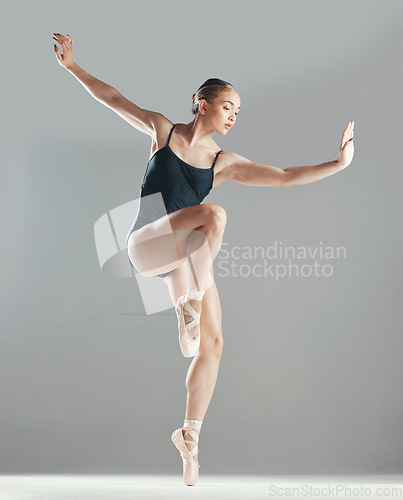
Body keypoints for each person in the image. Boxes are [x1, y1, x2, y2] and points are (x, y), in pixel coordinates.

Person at [53, 32, 355, 486]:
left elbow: (286, 176)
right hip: (148, 243)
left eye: (237, 111)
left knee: (212, 345)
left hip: (189, 258)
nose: (233, 115)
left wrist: (337, 164)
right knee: (213, 215)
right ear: (202, 103)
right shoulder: (162, 130)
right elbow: (113, 97)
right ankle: (185, 305)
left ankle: (189, 435)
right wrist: (73, 67)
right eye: (228, 106)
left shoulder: (224, 162)